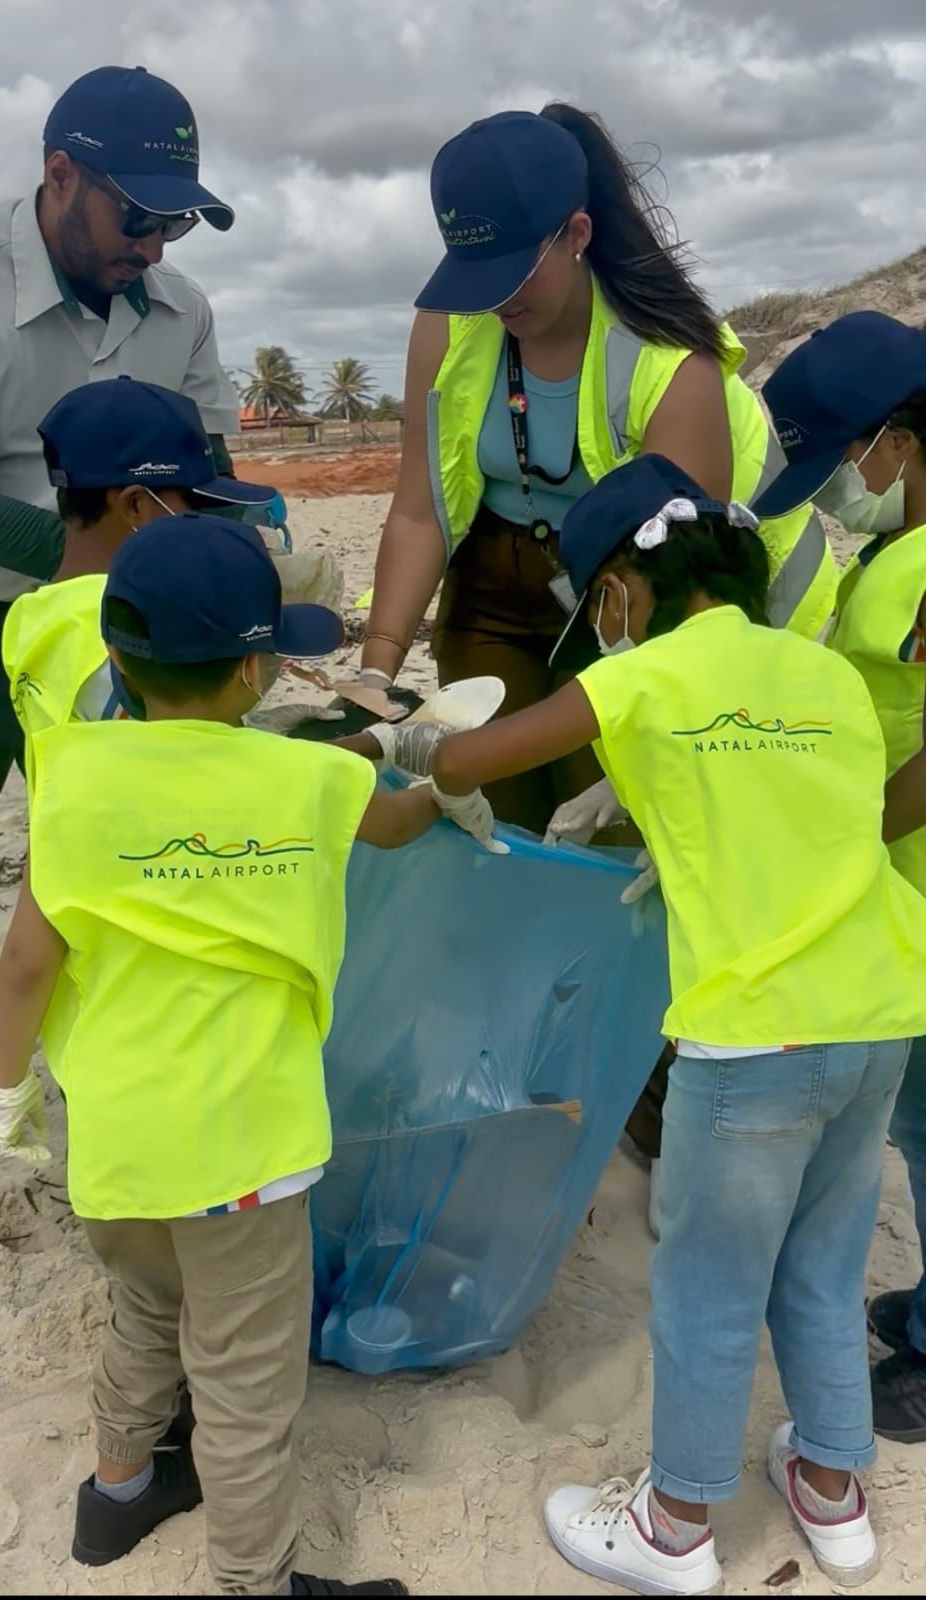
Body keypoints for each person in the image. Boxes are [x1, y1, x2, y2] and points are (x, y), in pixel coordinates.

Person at [428, 454, 926, 1595]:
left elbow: (460, 759)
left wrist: (406, 753)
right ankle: (834, 1494)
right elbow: (806, 811)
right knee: (824, 1260)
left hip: (752, 1038)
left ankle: (674, 1525)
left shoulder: (639, 678)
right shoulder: (826, 674)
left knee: (706, 1283)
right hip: (878, 1015)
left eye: (596, 611)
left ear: (617, 592)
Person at [0, 515, 487, 1594]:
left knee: (145, 1311)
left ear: (116, 656)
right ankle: (255, 1580)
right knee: (247, 1377)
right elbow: (393, 820)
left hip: (118, 1140)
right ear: (257, 671)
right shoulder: (302, 784)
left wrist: (5, 1086)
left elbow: (24, 961)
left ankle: (118, 1492)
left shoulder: (72, 778)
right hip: (247, 1150)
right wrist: (437, 781)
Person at [0, 64, 240, 1228]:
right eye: (138, 216)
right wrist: (149, 564)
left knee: (131, 860)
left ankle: (115, 1087)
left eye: (177, 221)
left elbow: (215, 476)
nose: (155, 244)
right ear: (59, 175)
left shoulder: (180, 311)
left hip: (111, 634)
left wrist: (218, 565)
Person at [356, 105, 835, 837]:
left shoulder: (670, 361)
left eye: (513, 272)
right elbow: (418, 511)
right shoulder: (450, 324)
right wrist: (377, 670)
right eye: (474, 275)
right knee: (494, 810)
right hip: (496, 581)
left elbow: (684, 596)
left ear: (577, 234)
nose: (494, 299)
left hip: (635, 590)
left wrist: (635, 755)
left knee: (608, 811)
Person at [755, 310, 926, 1446]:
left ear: (897, 441)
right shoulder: (895, 553)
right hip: (904, 890)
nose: (837, 491)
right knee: (918, 1118)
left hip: (905, 863)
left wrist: (849, 838)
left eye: (843, 462)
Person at [4, 376, 286, 753]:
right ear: (135, 505)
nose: (206, 522)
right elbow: (204, 764)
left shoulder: (28, 615)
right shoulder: (131, 627)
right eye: (195, 504)